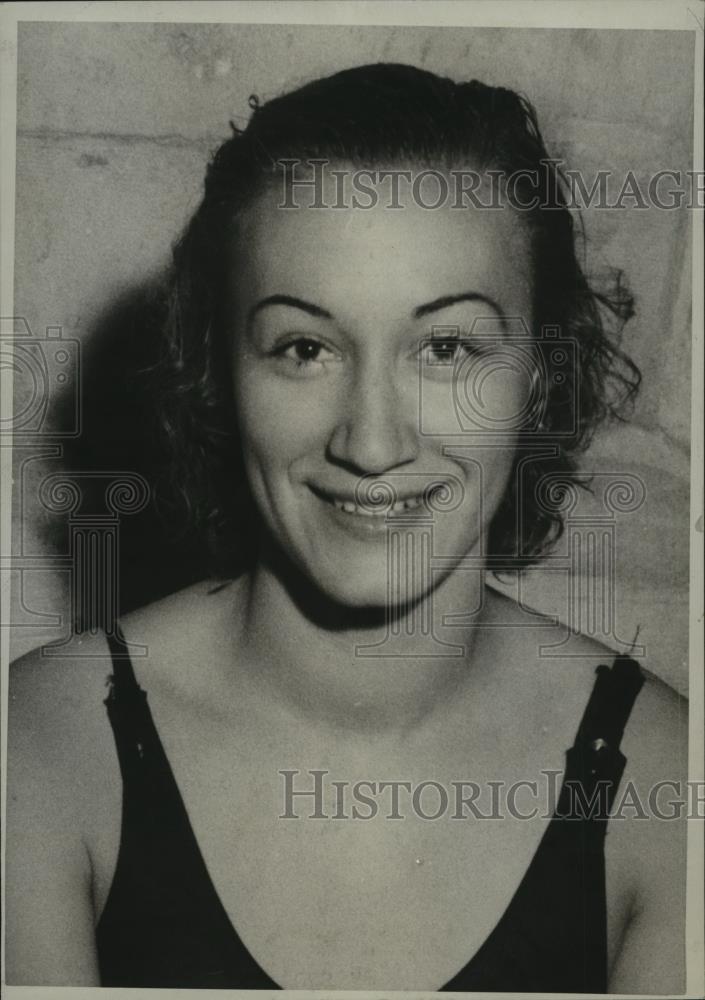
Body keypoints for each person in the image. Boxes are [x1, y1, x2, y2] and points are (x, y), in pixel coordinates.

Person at [6, 63, 687, 992]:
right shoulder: (38, 749)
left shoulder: (665, 787)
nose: (371, 442)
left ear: (537, 375)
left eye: (446, 349)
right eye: (304, 347)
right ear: (220, 372)